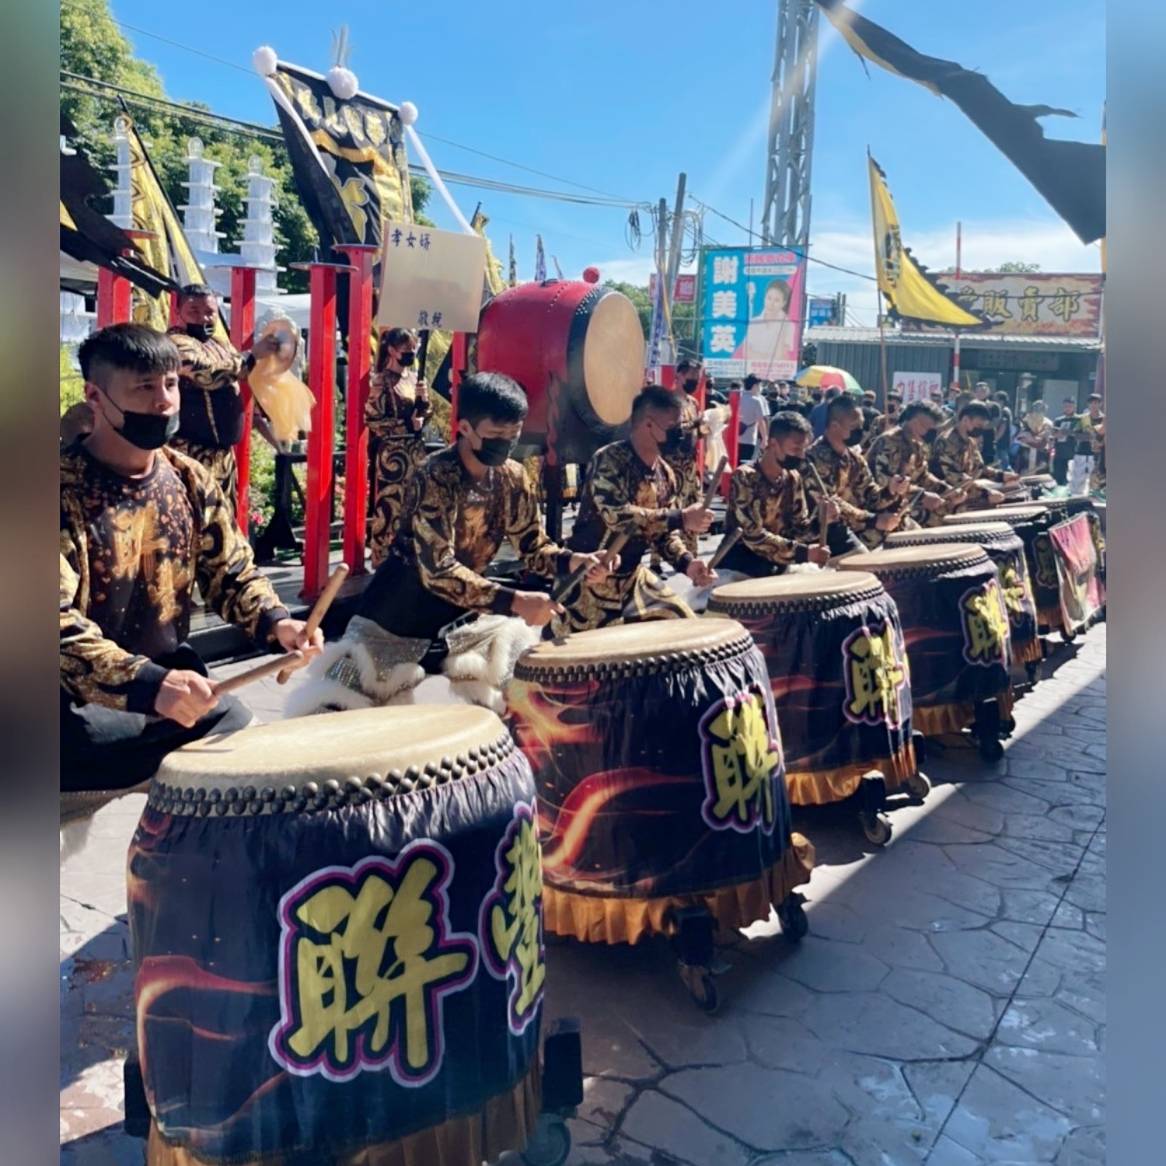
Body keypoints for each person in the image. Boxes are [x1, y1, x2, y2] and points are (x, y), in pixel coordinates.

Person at [61, 324, 321, 800]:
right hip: (71, 708)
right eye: (144, 387)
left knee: (262, 779)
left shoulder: (188, 478)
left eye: (170, 384)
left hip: (174, 688)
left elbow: (231, 570)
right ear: (94, 396)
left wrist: (277, 621)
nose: (164, 401)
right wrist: (148, 684)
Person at [292, 372, 610, 715]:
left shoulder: (513, 477)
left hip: (465, 617)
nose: (506, 444)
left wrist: (574, 562)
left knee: (526, 685)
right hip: (397, 615)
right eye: (496, 435)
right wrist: (515, 601)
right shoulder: (434, 475)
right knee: (334, 708)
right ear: (465, 428)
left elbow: (532, 545)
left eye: (513, 435)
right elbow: (438, 570)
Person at [556, 385, 716, 633]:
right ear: (648, 425)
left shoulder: (666, 474)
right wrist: (682, 517)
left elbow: (662, 535)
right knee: (587, 652)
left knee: (685, 628)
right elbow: (617, 516)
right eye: (673, 427)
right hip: (590, 576)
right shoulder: (609, 460)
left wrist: (688, 564)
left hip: (632, 576)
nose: (680, 435)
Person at [168, 283, 281, 513]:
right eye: (194, 311)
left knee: (225, 519)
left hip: (223, 456)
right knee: (196, 518)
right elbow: (206, 374)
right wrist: (252, 356)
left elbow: (242, 371)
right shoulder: (175, 343)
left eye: (210, 312)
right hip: (190, 453)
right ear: (178, 312)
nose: (203, 318)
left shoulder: (219, 344)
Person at [714, 410, 837, 577]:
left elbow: (799, 528)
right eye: (796, 449)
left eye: (804, 450)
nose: (801, 456)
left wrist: (821, 520)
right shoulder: (745, 477)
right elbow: (752, 535)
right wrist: (803, 553)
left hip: (776, 564)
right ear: (773, 443)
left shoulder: (793, 478)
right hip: (740, 563)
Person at [806, 396, 907, 552]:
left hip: (856, 525)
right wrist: (873, 520)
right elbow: (830, 503)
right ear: (834, 426)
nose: (860, 430)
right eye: (854, 426)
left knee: (903, 532)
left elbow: (869, 494)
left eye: (861, 425)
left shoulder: (854, 459)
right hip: (825, 533)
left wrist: (890, 490)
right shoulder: (814, 459)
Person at [367, 326, 432, 567]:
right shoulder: (381, 381)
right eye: (406, 349)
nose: (410, 353)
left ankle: (411, 554)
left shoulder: (415, 379)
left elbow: (425, 413)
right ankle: (383, 557)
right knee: (390, 505)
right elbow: (372, 419)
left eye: (413, 348)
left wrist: (424, 407)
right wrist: (404, 424)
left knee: (415, 502)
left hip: (415, 450)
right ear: (392, 351)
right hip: (393, 453)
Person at [866, 400, 965, 526]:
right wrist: (922, 496)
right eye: (929, 428)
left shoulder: (916, 444)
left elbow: (923, 476)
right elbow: (886, 483)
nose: (932, 433)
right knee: (936, 519)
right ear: (915, 422)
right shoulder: (889, 442)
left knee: (950, 509)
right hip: (881, 508)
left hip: (904, 503)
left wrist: (949, 490)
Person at [661, 358, 709, 556]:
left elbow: (698, 433)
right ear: (679, 375)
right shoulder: (668, 402)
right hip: (671, 463)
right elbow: (670, 432)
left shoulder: (693, 403)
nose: (695, 381)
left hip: (690, 464)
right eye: (692, 376)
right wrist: (694, 424)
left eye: (698, 377)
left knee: (694, 506)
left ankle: (691, 554)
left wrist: (707, 427)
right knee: (670, 508)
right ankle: (659, 556)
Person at [931, 402, 1020, 508]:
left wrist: (1001, 476)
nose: (980, 430)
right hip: (946, 499)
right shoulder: (946, 442)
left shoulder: (970, 442)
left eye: (982, 426)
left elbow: (979, 468)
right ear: (965, 420)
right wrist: (985, 493)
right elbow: (953, 477)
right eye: (978, 425)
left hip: (965, 493)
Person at [735, 279, 798, 373]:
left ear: (784, 303)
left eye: (777, 300)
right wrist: (769, 358)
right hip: (752, 372)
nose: (771, 304)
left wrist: (758, 356)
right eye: (769, 298)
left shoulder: (788, 325)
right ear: (764, 298)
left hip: (776, 374)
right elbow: (746, 352)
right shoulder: (754, 322)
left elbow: (780, 356)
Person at [1014, 399, 1055, 475]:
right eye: (1036, 408)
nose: (1037, 410)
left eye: (1041, 408)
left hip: (1040, 453)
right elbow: (1021, 437)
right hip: (1026, 450)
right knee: (1023, 473)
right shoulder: (1026, 419)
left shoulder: (1048, 423)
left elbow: (1044, 441)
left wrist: (1033, 439)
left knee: (1039, 474)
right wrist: (1031, 439)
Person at [736, 374, 771, 463]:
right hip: (749, 439)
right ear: (755, 386)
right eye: (760, 385)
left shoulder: (737, 397)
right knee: (745, 464)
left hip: (735, 438)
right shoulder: (756, 401)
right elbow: (761, 421)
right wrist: (765, 439)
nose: (760, 388)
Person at [1051, 397, 1081, 485]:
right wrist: (1055, 435)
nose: (1067, 408)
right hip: (1059, 453)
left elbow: (1082, 435)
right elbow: (1053, 434)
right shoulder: (1058, 420)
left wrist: (1067, 432)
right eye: (1065, 406)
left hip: (1073, 453)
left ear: (1074, 407)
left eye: (1070, 406)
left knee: (1072, 479)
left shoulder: (1079, 419)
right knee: (1058, 478)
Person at [993, 391, 1014, 469]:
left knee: (1003, 463)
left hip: (1001, 442)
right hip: (1003, 442)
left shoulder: (1004, 411)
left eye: (995, 399)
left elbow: (1003, 427)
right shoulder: (1005, 410)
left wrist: (995, 439)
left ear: (1001, 401)